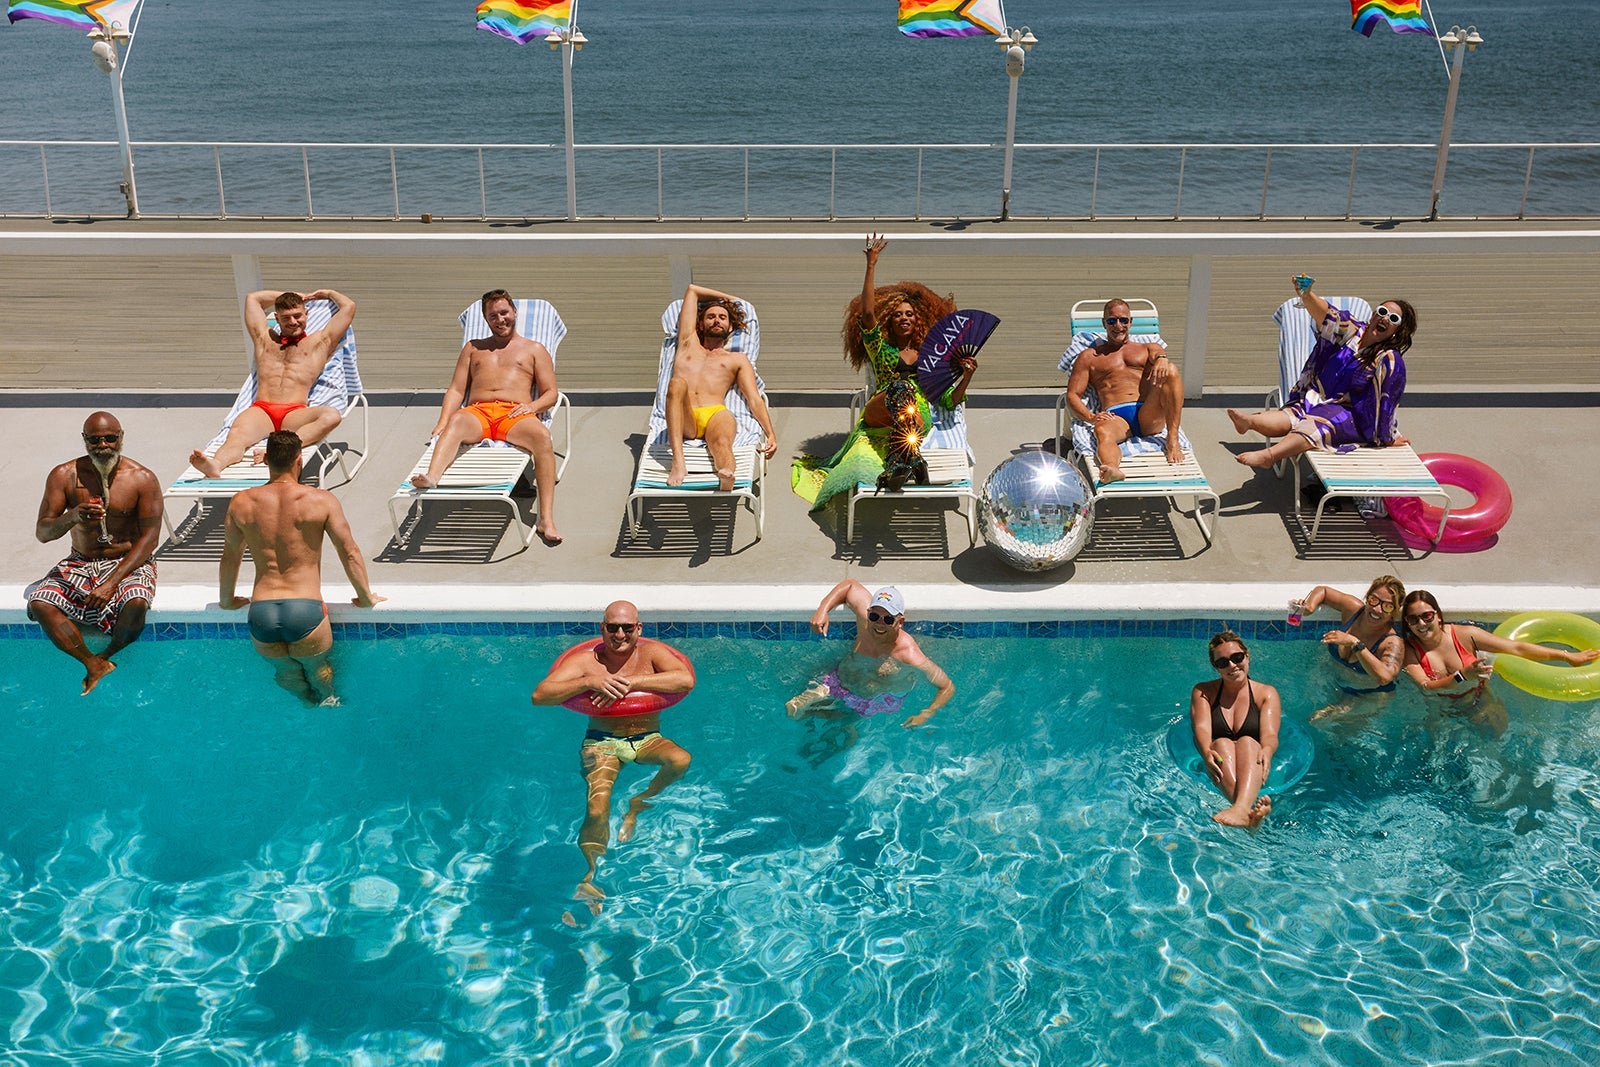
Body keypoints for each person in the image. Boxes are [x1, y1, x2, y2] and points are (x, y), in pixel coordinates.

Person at [791, 234, 975, 509]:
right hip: (882, 408)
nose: (905, 318)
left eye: (910, 314)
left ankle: (900, 463)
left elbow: (949, 399)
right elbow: (866, 316)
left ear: (918, 321)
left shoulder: (930, 357)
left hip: (916, 416)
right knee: (900, 389)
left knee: (910, 400)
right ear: (891, 319)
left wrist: (967, 375)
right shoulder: (881, 349)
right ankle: (909, 459)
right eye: (899, 314)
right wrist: (871, 265)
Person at [531, 601, 696, 904]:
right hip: (602, 741)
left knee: (681, 759)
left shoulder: (650, 653)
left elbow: (684, 679)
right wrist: (589, 681)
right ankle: (589, 875)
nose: (620, 634)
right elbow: (540, 696)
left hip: (647, 737)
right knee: (596, 807)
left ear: (638, 629)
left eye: (627, 628)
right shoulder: (585, 661)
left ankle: (638, 803)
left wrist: (630, 682)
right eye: (612, 627)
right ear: (602, 628)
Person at [219, 430, 383, 705]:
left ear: (266, 460)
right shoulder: (321, 500)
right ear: (299, 460)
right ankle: (327, 700)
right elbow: (349, 551)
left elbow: (230, 556)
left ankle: (305, 701)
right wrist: (365, 596)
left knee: (285, 671)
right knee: (318, 668)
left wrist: (227, 600)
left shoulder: (242, 501)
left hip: (262, 612)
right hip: (305, 609)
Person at [409, 288, 563, 545]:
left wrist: (533, 407)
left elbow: (551, 393)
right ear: (486, 319)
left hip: (514, 413)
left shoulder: (534, 349)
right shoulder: (473, 349)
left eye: (504, 313)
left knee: (543, 438)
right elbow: (457, 389)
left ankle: (545, 518)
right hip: (477, 413)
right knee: (456, 421)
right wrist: (442, 421)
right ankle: (433, 477)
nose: (500, 320)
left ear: (514, 312)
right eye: (493, 316)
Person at [28, 412, 163, 694]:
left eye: (110, 438)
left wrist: (112, 583)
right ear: (85, 440)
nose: (103, 445)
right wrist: (73, 516)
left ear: (121, 437)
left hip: (128, 562)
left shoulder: (142, 478)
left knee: (136, 602)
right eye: (95, 439)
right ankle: (91, 663)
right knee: (41, 602)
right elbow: (43, 533)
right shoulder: (64, 475)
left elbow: (150, 539)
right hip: (82, 560)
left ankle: (106, 656)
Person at [1228, 278, 1416, 469]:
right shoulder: (1352, 331)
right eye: (1382, 312)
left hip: (1350, 415)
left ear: (1396, 331)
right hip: (1317, 398)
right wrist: (1307, 295)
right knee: (1292, 415)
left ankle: (1270, 456)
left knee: (1313, 423)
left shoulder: (1388, 359)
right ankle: (1249, 421)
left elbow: (1387, 401)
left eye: (1393, 319)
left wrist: (1389, 437)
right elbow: (1329, 316)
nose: (1385, 318)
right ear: (1374, 314)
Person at [189, 287, 358, 478]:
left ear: (306, 314)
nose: (293, 322)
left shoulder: (320, 342)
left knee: (331, 416)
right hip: (262, 411)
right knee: (236, 437)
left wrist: (326, 294)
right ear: (277, 319)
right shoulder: (264, 340)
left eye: (298, 315)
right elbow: (253, 299)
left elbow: (348, 307)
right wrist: (291, 295)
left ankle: (280, 452)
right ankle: (216, 464)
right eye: (286, 317)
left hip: (294, 413)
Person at [1399, 591, 1600, 717]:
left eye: (1427, 616)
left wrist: (1567, 656)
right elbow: (1426, 686)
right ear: (1407, 623)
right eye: (1413, 619)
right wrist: (1462, 675)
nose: (1422, 624)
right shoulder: (1410, 650)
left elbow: (1517, 648)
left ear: (1437, 614)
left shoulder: (1466, 635)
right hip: (1440, 711)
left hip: (1480, 702)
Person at [787, 580, 955, 732]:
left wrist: (926, 714)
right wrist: (822, 610)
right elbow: (850, 585)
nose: (879, 624)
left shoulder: (908, 654)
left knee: (841, 725)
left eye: (888, 619)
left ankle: (849, 728)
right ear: (868, 613)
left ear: (900, 622)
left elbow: (947, 686)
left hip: (872, 700)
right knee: (793, 710)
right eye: (874, 616)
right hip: (838, 682)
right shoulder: (865, 621)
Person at [664, 283, 777, 491]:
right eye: (711, 316)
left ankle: (727, 474)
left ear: (730, 327)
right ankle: (679, 463)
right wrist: (731, 300)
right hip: (685, 417)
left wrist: (770, 433)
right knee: (676, 384)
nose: (716, 320)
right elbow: (692, 290)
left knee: (723, 439)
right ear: (700, 324)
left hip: (715, 413)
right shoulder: (687, 342)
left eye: (722, 317)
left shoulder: (737, 359)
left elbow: (753, 398)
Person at [1063, 297, 1186, 480]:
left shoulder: (1147, 348)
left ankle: (1173, 440)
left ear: (1131, 322)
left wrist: (1161, 359)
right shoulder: (1089, 356)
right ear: (1104, 323)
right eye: (1112, 320)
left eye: (1123, 320)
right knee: (1102, 431)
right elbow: (1072, 395)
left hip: (1147, 412)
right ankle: (1112, 469)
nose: (1118, 325)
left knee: (1172, 369)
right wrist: (1091, 416)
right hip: (1116, 416)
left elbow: (1159, 352)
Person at [1189, 631, 1282, 828]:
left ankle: (1240, 810)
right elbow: (1202, 728)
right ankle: (1248, 814)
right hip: (1222, 758)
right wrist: (1206, 753)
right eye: (1223, 663)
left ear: (1247, 656)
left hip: (1252, 759)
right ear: (1216, 668)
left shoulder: (1265, 693)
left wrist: (1267, 750)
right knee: (1220, 744)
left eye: (1237, 657)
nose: (1232, 665)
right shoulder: (1204, 691)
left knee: (1248, 741)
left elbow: (1270, 735)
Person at [1298, 575, 1407, 700]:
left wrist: (1355, 643)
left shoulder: (1392, 643)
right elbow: (1323, 591)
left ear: (1395, 611)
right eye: (1374, 599)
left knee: (1318, 719)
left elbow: (1385, 677)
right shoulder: (1353, 610)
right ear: (1367, 597)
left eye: (1387, 606)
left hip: (1369, 696)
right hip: (1335, 684)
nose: (1377, 609)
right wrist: (1309, 607)